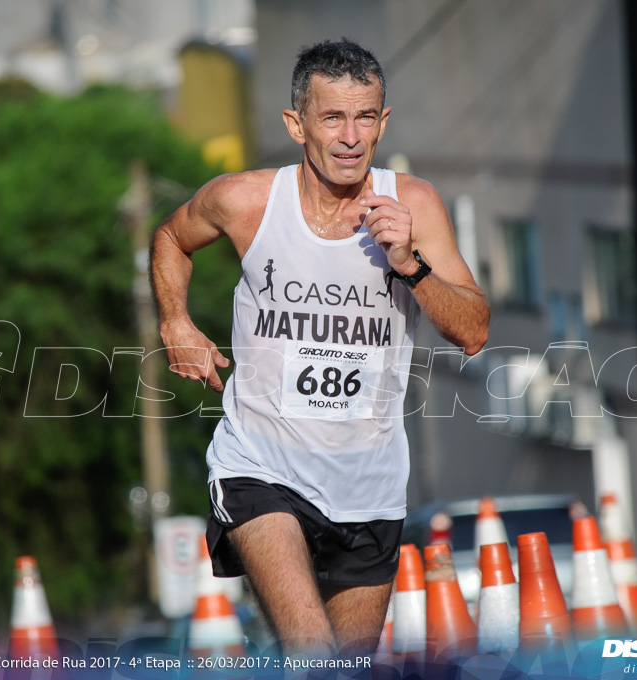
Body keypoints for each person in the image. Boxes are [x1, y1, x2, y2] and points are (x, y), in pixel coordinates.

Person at [150, 39, 489, 656]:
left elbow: (473, 330)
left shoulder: (412, 205)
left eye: (366, 117)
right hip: (262, 467)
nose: (351, 137)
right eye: (333, 117)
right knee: (313, 656)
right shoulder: (246, 200)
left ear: (383, 121)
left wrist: (410, 265)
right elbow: (172, 236)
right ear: (297, 124)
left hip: (369, 484)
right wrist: (175, 322)